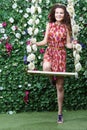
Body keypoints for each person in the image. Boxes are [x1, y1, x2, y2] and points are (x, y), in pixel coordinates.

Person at [36, 3, 73, 123]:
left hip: (61, 55)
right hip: (50, 52)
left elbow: (67, 44)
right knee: (46, 67)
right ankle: (52, 78)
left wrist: (74, 46)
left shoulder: (66, 27)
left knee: (60, 86)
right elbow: (45, 41)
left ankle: (60, 113)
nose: (59, 14)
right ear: (54, 14)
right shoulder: (49, 25)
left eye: (61, 13)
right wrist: (34, 43)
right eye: (57, 12)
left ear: (64, 14)